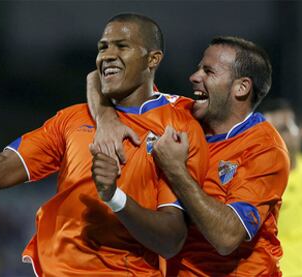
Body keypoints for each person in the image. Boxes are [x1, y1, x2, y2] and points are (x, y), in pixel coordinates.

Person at [0, 14, 208, 276]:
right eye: (103, 47)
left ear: (153, 59)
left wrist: (114, 197)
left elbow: (170, 240)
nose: (107, 55)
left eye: (122, 46)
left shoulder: (179, 125)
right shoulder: (71, 119)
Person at [88, 36, 290, 276]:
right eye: (198, 68)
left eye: (208, 71)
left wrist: (176, 170)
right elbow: (96, 78)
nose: (194, 77)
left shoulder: (264, 149)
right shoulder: (181, 115)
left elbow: (227, 238)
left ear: (241, 87)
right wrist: (105, 118)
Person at [261, 98, 302, 276]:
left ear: (299, 131)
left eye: (284, 129)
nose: (278, 137)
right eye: (272, 131)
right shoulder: (250, 186)